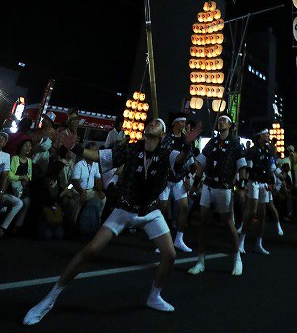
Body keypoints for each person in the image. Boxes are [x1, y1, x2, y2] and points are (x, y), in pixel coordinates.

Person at [22, 117, 201, 324]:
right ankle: (49, 299)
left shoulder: (166, 153)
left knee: (169, 255)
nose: (152, 123)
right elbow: (98, 156)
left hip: (151, 211)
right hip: (124, 209)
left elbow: (180, 160)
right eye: (151, 122)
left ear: (162, 134)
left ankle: (154, 296)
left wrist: (187, 144)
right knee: (90, 251)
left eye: (158, 124)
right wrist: (77, 148)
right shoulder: (131, 148)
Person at [187, 114, 247, 276]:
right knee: (203, 223)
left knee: (228, 223)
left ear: (231, 125)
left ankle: (237, 258)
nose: (221, 122)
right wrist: (194, 184)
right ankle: (200, 261)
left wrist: (241, 187)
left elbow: (242, 167)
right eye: (219, 120)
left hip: (225, 187)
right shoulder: (212, 141)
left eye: (224, 120)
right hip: (208, 186)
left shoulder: (235, 143)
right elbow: (201, 164)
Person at [239, 129, 282, 256]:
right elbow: (248, 168)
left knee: (262, 214)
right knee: (253, 211)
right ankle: (241, 240)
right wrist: (243, 185)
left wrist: (279, 177)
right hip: (254, 182)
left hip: (265, 183)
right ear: (259, 136)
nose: (268, 136)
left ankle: (259, 243)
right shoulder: (252, 151)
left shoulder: (268, 150)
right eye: (266, 134)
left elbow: (272, 166)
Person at [158, 116, 196, 253]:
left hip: (179, 178)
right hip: (165, 178)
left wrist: (190, 177)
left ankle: (179, 239)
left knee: (184, 207)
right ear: (175, 123)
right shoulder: (166, 139)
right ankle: (161, 240)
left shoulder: (186, 140)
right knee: (161, 209)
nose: (184, 124)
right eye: (182, 122)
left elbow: (190, 159)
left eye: (185, 122)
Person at [71, 142, 106, 229]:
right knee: (77, 205)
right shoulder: (79, 165)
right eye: (92, 151)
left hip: (90, 191)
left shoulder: (95, 164)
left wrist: (100, 191)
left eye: (95, 151)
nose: (94, 153)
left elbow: (97, 178)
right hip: (78, 191)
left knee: (103, 199)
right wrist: (81, 192)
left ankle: (98, 220)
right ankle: (72, 226)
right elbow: (74, 181)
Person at [4, 137, 34, 236]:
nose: (28, 148)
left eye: (30, 146)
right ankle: (7, 226)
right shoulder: (15, 158)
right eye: (26, 146)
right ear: (21, 147)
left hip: (22, 189)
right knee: (19, 202)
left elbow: (29, 176)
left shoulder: (29, 161)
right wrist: (21, 178)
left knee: (27, 202)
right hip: (11, 188)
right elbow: (10, 175)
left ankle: (16, 227)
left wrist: (26, 179)